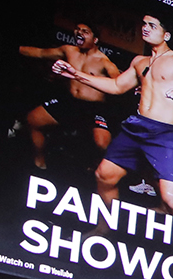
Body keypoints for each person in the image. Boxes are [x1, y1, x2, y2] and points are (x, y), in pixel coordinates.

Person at [50, 12, 173, 220]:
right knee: (104, 176)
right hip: (137, 127)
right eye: (144, 24)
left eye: (152, 26)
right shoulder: (139, 61)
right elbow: (116, 86)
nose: (145, 28)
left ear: (166, 35)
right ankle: (105, 227)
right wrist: (76, 74)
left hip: (165, 133)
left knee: (172, 202)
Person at [18, 22, 120, 169]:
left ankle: (98, 170)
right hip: (70, 102)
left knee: (102, 144)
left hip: (94, 108)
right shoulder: (69, 50)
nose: (79, 33)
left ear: (95, 39)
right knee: (33, 120)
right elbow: (40, 53)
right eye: (78, 30)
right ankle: (39, 162)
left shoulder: (104, 62)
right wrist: (16, 48)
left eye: (85, 31)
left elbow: (118, 82)